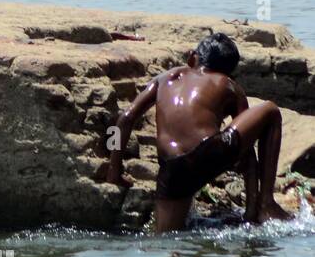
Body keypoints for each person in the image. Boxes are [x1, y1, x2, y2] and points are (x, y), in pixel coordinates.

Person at [105, 32, 291, 231]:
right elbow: (246, 152)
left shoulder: (165, 78)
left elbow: (124, 119)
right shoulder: (228, 85)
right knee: (270, 110)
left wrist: (114, 170)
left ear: (192, 58)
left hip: (172, 167)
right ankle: (265, 204)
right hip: (210, 150)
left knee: (166, 237)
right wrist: (251, 210)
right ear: (229, 70)